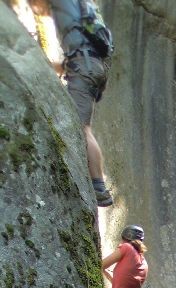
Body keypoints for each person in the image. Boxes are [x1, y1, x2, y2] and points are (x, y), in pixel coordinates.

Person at [29, 0, 114, 207]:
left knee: (81, 127)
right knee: (81, 126)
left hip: (84, 66)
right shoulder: (83, 9)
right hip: (91, 66)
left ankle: (98, 187)